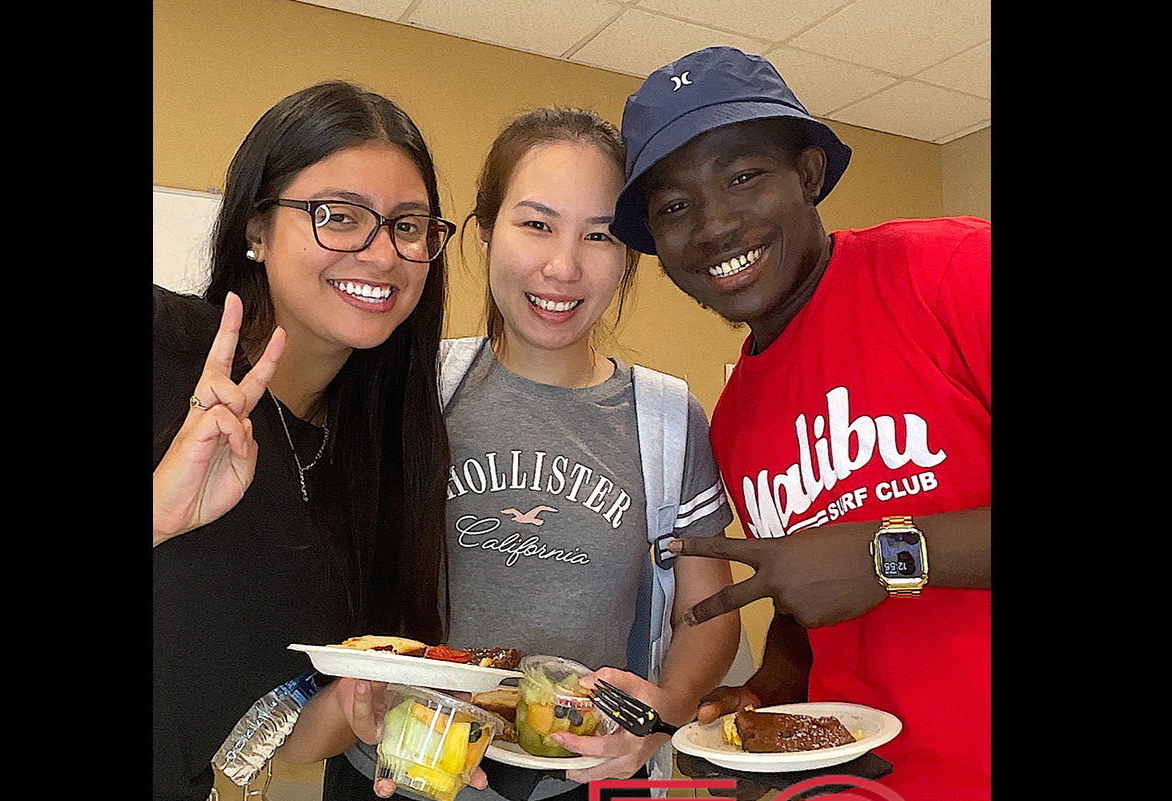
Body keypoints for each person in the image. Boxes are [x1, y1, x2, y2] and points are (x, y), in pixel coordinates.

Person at [307, 108, 740, 801]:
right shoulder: (409, 389)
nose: (563, 267)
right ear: (483, 234)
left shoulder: (666, 421)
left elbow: (709, 608)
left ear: (628, 250)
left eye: (598, 235)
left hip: (569, 781)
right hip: (396, 772)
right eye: (536, 224)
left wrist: (668, 706)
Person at [607, 47, 991, 801]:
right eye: (674, 206)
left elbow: (855, 560)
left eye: (743, 176)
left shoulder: (952, 270)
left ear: (809, 175)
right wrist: (769, 686)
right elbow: (808, 593)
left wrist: (888, 555)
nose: (714, 224)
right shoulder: (736, 421)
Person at [153, 80, 456, 801]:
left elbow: (272, 725)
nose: (382, 254)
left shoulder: (385, 458)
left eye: (408, 225)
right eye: (339, 216)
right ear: (257, 227)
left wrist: (355, 706)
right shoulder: (164, 349)